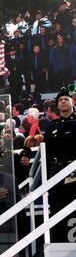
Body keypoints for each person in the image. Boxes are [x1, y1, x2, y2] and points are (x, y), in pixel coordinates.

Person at [44, 88, 76, 242]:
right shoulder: (51, 127)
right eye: (60, 100)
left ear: (72, 102)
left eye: (66, 99)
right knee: (60, 212)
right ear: (57, 106)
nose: (63, 101)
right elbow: (47, 153)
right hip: (60, 176)